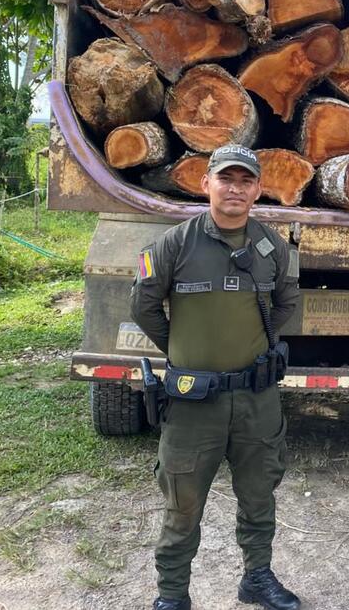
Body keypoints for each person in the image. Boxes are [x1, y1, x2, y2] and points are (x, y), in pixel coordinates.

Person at [131, 144, 302, 610]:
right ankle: (172, 595)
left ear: (258, 190)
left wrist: (256, 345)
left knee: (259, 496)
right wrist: (182, 350)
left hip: (256, 400)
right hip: (193, 403)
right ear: (206, 183)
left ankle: (257, 579)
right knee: (182, 504)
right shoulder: (174, 244)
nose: (235, 189)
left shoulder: (272, 246)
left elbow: (287, 302)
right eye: (226, 179)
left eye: (246, 181)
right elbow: (144, 307)